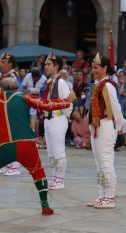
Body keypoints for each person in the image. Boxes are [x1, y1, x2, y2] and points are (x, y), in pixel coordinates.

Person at [0, 77, 76, 215]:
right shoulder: (24, 97)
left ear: (2, 88)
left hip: (6, 146)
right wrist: (66, 101)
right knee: (38, 173)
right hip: (27, 145)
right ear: (16, 87)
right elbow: (46, 105)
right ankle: (45, 206)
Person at [86, 52, 123, 209]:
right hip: (96, 126)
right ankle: (102, 194)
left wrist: (119, 127)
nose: (93, 70)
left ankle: (109, 196)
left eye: (96, 67)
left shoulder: (107, 85)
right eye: (93, 67)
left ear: (105, 68)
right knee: (99, 162)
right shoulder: (97, 84)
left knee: (106, 160)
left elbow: (116, 108)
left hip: (106, 125)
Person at [43, 52, 73, 190]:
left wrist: (64, 117)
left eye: (48, 64)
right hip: (49, 118)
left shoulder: (61, 82)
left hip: (58, 117)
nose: (46, 67)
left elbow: (69, 101)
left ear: (56, 66)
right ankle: (55, 176)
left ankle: (60, 179)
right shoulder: (49, 82)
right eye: (45, 64)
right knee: (51, 150)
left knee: (58, 150)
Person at [0, 52, 24, 175]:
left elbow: (18, 95)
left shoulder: (13, 76)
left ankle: (15, 166)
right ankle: (8, 163)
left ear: (10, 64)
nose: (0, 64)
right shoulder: (5, 75)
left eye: (3, 62)